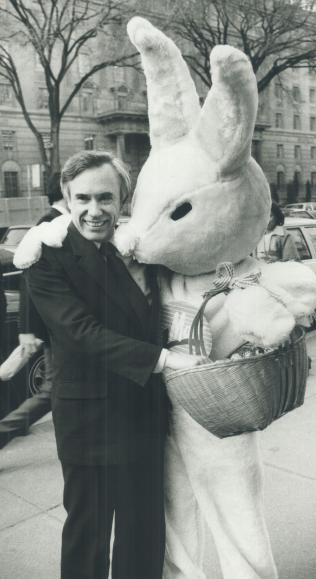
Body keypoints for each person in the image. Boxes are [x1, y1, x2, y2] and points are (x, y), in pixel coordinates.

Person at [23, 150, 203, 579]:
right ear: (66, 198)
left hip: (144, 415)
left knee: (143, 537)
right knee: (89, 539)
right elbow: (79, 332)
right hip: (90, 423)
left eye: (105, 198)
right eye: (82, 198)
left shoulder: (139, 248)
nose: (93, 210)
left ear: (123, 198)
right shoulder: (45, 257)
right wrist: (162, 359)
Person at [0, 173, 69, 449]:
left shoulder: (55, 220)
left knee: (54, 390)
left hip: (57, 322)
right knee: (51, 391)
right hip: (54, 325)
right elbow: (29, 277)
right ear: (65, 191)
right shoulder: (49, 222)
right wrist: (27, 329)